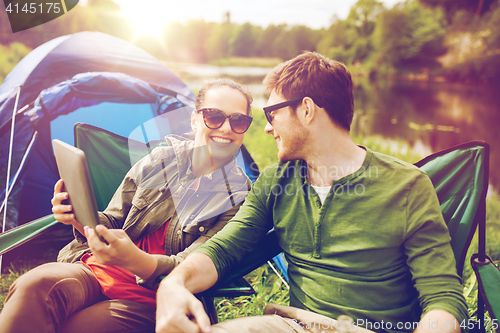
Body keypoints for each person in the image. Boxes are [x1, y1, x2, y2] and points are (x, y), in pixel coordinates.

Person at [155, 52, 469, 333]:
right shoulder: (276, 182)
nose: (266, 127)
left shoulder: (407, 186)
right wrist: (174, 283)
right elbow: (224, 249)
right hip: (293, 325)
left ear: (306, 110)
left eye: (272, 113)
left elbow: (442, 298)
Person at [0, 78, 254, 333]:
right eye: (214, 116)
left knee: (76, 327)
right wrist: (77, 215)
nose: (226, 128)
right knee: (33, 285)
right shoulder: (160, 160)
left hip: (152, 297)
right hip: (96, 269)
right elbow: (112, 221)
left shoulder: (239, 196)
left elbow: (193, 267)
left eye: (238, 120)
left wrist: (134, 259)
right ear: (195, 119)